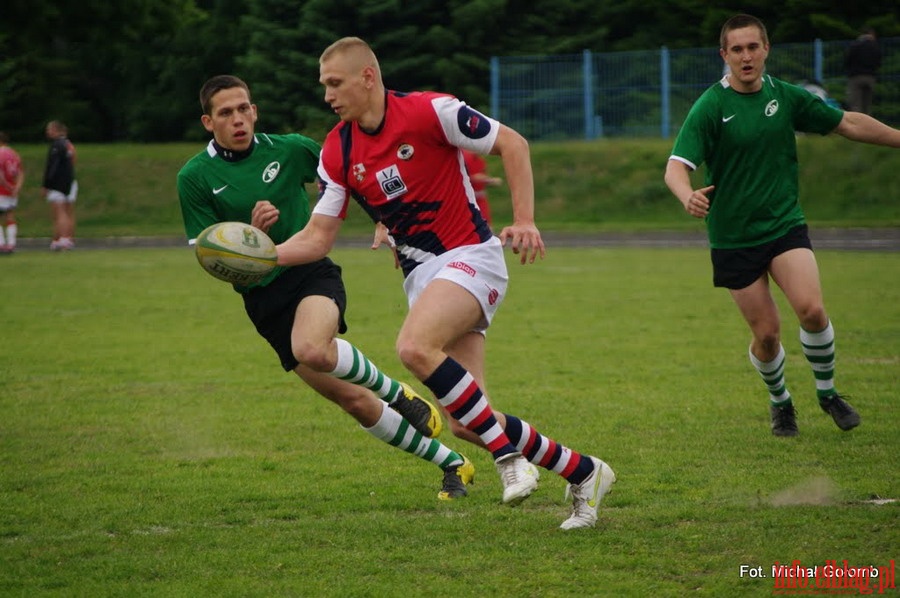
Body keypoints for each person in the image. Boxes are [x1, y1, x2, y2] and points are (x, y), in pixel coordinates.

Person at [272, 37, 616, 530]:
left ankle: (508, 461)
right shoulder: (338, 149)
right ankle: (585, 472)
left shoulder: (433, 111)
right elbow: (317, 238)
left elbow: (512, 143)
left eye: (335, 83)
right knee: (466, 420)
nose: (327, 95)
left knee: (413, 345)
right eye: (324, 85)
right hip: (425, 279)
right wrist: (262, 258)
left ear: (367, 77)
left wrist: (525, 219)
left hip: (472, 257)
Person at [176, 75, 475, 501]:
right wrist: (250, 238)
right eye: (226, 113)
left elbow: (355, 174)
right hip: (262, 299)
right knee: (353, 401)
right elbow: (211, 257)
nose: (238, 119)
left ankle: (400, 394)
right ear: (209, 121)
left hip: (311, 272)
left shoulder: (291, 148)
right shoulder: (195, 176)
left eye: (244, 108)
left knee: (313, 348)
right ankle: (452, 464)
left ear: (255, 111)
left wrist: (382, 218)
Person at [664, 14, 900, 436]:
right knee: (768, 336)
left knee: (811, 309)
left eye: (753, 47)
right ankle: (781, 402)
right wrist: (688, 195)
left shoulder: (786, 97)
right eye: (736, 49)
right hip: (733, 237)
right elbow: (676, 167)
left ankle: (827, 394)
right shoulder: (711, 106)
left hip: (784, 224)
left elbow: (847, 122)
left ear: (766, 49)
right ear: (725, 56)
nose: (746, 56)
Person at [43, 120, 78, 251]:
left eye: (49, 129)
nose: (47, 132)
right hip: (70, 180)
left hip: (59, 182)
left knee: (59, 211)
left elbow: (53, 166)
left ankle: (62, 239)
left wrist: (47, 184)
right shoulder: (69, 145)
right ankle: (68, 238)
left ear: (56, 130)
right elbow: (74, 160)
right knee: (69, 211)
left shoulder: (57, 145)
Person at [844, 28, 881, 115]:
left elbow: (847, 60)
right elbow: (879, 62)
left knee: (855, 105)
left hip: (855, 77)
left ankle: (857, 126)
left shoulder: (855, 45)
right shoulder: (875, 46)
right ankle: (867, 126)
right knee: (867, 105)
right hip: (870, 77)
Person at [462, 149, 502, 227]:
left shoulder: (480, 161)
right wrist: (488, 180)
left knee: (485, 220)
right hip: (467, 196)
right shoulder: (466, 157)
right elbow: (468, 176)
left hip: (479, 196)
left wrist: (487, 181)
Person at [0, 132, 24, 254]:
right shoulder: (14, 154)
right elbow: (20, 173)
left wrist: (7, 186)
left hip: (1, 190)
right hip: (13, 191)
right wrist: (16, 188)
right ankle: (11, 243)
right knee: (10, 216)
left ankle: (1, 243)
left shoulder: (0, 154)